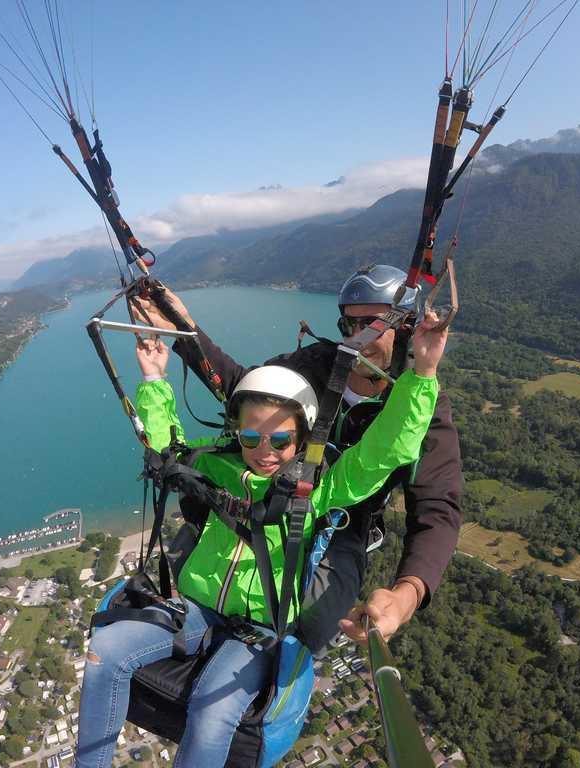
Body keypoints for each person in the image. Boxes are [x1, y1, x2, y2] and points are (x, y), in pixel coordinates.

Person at [75, 310, 449, 768]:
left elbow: (386, 451)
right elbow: (165, 452)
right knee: (105, 653)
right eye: (250, 437)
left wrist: (423, 374)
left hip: (257, 634)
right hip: (194, 610)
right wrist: (154, 379)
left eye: (280, 440)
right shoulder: (219, 470)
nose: (264, 452)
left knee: (213, 709)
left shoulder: (320, 488)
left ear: (303, 439)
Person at [131, 264, 463, 650]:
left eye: (372, 324)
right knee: (192, 556)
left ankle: (278, 677)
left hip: (342, 515)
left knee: (313, 624)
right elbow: (249, 392)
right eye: (348, 325)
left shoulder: (425, 410)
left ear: (405, 327)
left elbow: (437, 507)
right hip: (276, 493)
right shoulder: (319, 364)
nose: (358, 337)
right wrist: (183, 328)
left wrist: (406, 594)